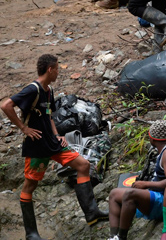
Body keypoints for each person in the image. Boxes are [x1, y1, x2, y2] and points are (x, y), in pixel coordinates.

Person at [1, 55, 108, 240]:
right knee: (29, 186)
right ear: (50, 70)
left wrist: (57, 135)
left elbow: (49, 115)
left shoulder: (48, 90)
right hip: (37, 147)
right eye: (57, 69)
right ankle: (31, 233)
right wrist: (23, 128)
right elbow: (6, 105)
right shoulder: (31, 90)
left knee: (83, 166)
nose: (59, 72)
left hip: (53, 143)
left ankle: (91, 213)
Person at [107, 121, 166, 240]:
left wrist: (145, 184)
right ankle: (113, 236)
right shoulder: (164, 150)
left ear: (152, 138)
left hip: (165, 201)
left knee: (130, 194)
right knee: (114, 194)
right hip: (155, 195)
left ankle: (121, 237)